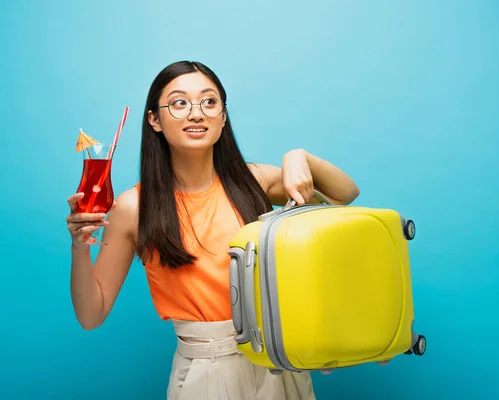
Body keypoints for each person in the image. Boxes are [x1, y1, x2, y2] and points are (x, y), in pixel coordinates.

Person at [66, 60, 360, 400]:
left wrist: (299, 157)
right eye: (179, 103)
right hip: (204, 374)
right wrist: (79, 247)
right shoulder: (134, 207)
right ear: (154, 120)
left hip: (279, 362)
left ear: (222, 117)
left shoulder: (254, 181)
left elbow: (345, 194)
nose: (196, 113)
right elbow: (91, 314)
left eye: (209, 101)